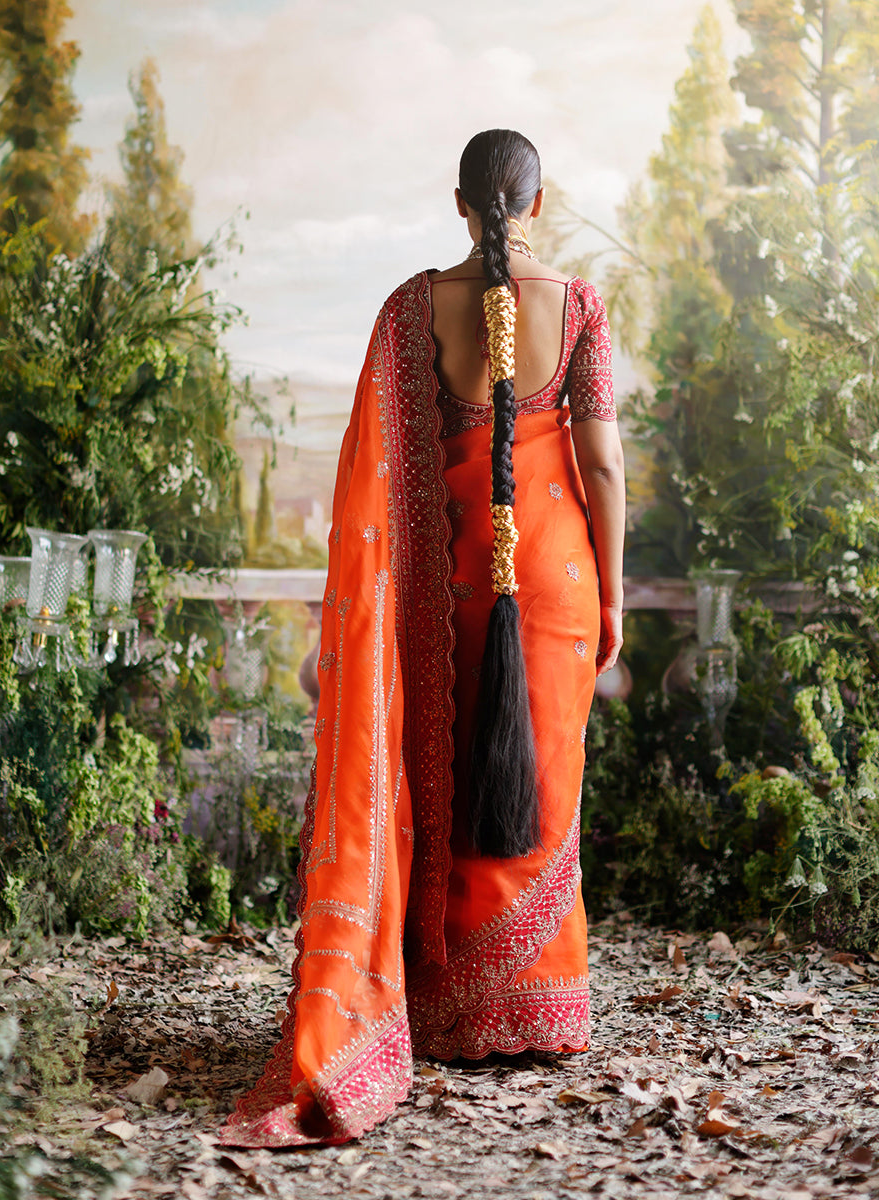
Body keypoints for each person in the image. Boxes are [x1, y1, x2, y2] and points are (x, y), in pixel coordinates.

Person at [219, 129, 625, 1149]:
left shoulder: (409, 309)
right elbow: (605, 466)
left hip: (442, 583)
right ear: (538, 202)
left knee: (439, 778)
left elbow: (370, 474)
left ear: (459, 203)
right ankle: (536, 1007)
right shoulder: (576, 306)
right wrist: (611, 592)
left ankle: (440, 1009)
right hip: (554, 578)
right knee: (546, 777)